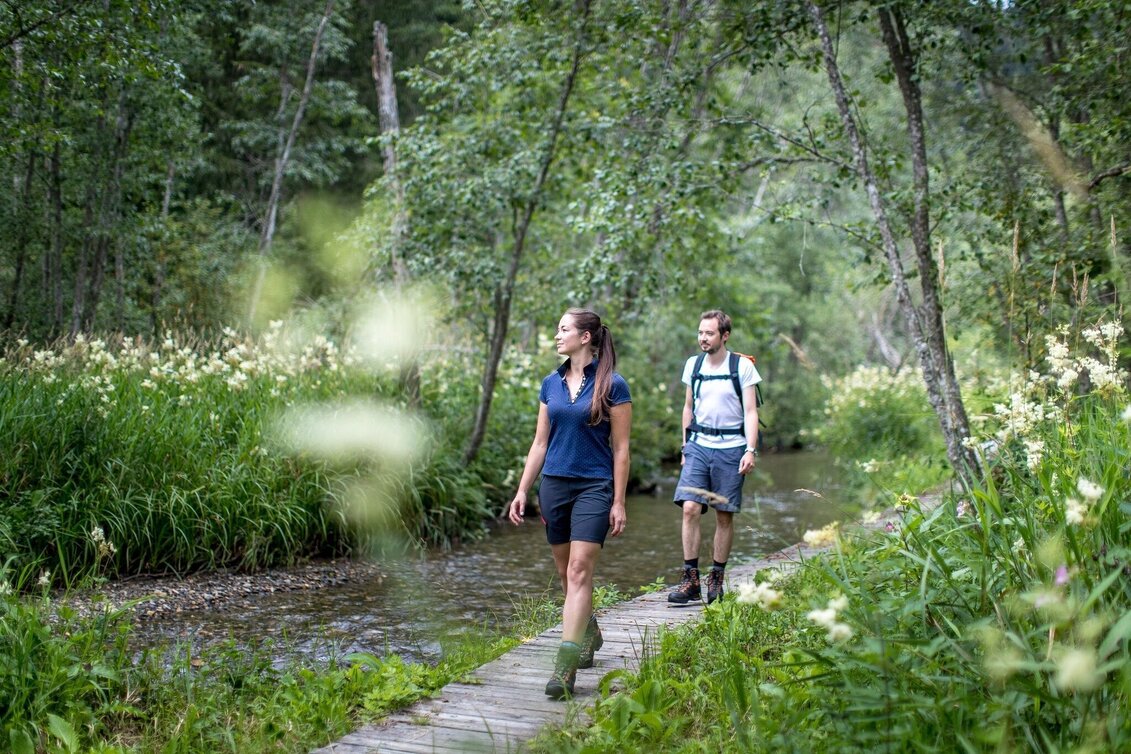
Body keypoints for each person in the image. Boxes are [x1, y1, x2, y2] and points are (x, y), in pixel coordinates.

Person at [508, 308, 632, 699]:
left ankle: (565, 669)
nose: (556, 335)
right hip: (555, 488)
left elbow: (622, 449)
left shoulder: (613, 385)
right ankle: (589, 629)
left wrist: (619, 500)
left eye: (563, 329)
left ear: (585, 337)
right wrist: (523, 489)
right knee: (566, 576)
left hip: (595, 487)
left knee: (580, 571)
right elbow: (540, 443)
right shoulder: (551, 383)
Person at [669, 309, 761, 606]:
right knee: (690, 509)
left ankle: (717, 578)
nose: (703, 338)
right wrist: (685, 446)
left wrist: (750, 449)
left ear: (725, 335)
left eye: (709, 333)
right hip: (697, 445)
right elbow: (687, 407)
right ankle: (690, 579)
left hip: (732, 447)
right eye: (700, 333)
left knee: (724, 515)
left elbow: (751, 412)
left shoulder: (742, 366)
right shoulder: (693, 365)